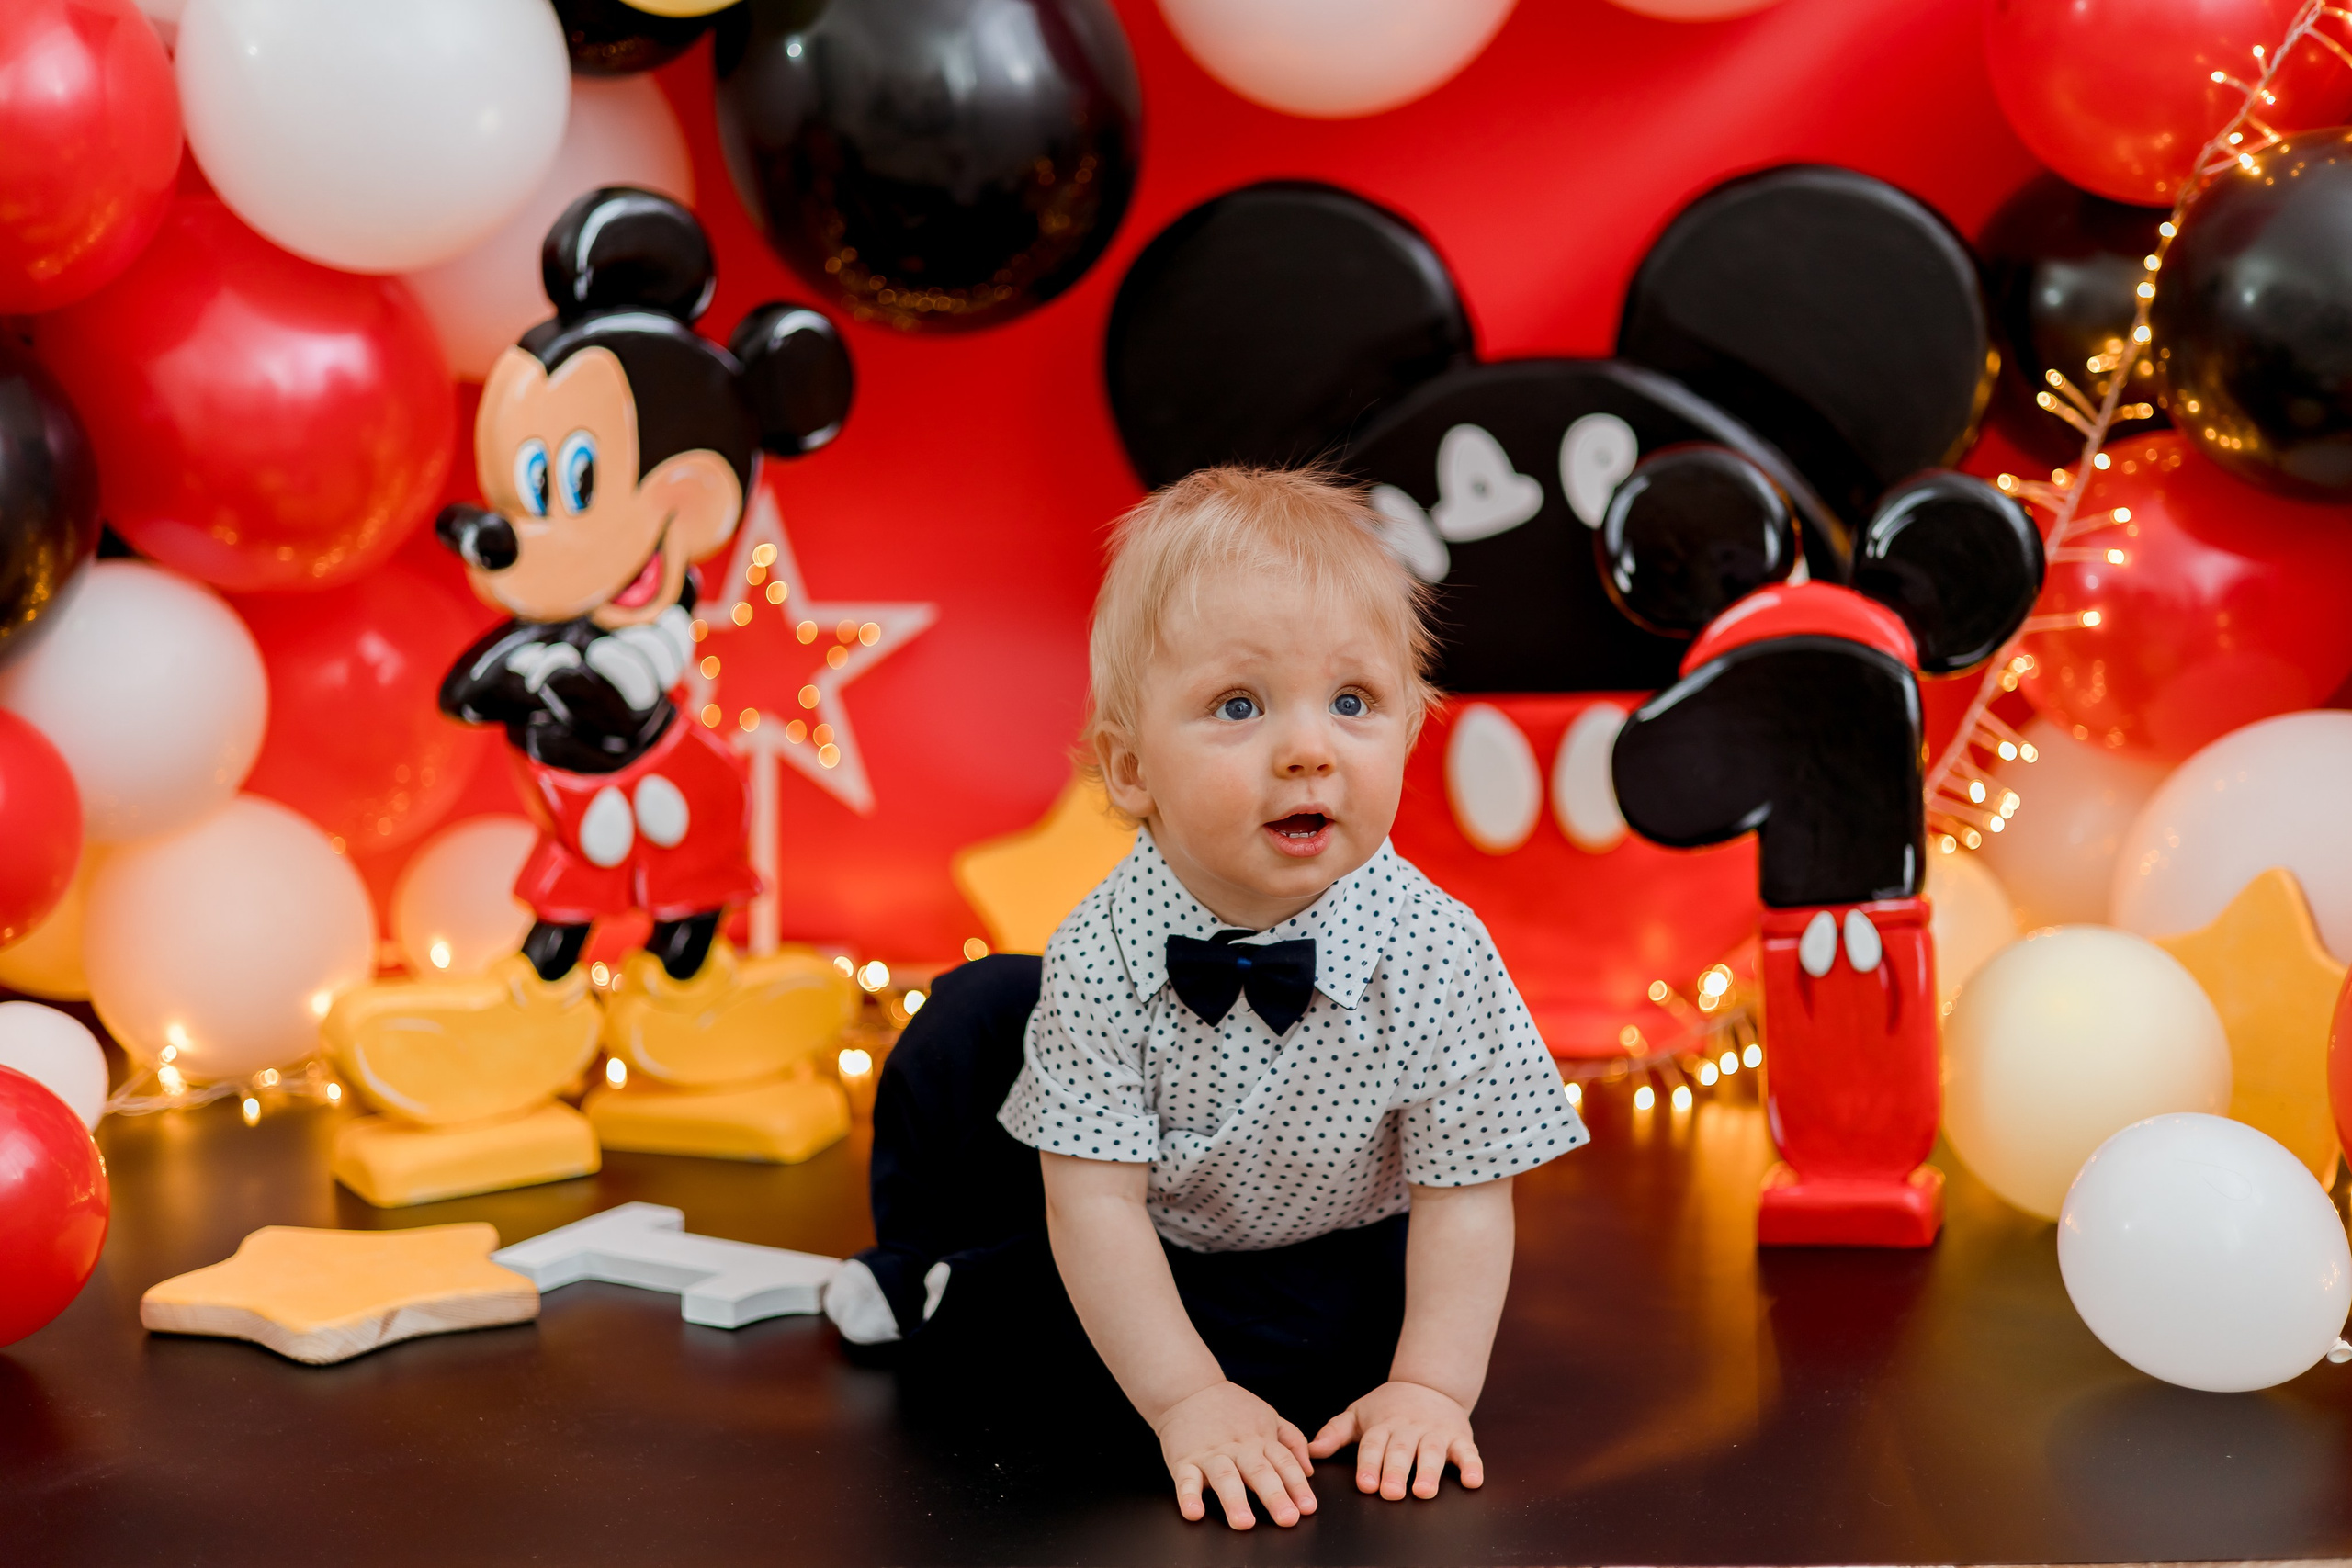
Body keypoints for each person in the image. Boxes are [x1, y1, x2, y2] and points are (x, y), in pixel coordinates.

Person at [824, 467, 1586, 1529]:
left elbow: (1464, 1196)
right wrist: (1185, 1400)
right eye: (1239, 705)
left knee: (1323, 1352)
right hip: (1146, 1231)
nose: (1310, 751)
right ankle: (917, 1265)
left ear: (1412, 727)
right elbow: (1093, 1204)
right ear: (1132, 770)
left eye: (1354, 702)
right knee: (977, 1011)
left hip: (1333, 1247)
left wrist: (1430, 1386)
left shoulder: (1438, 950)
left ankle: (1001, 1301)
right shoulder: (1102, 948)